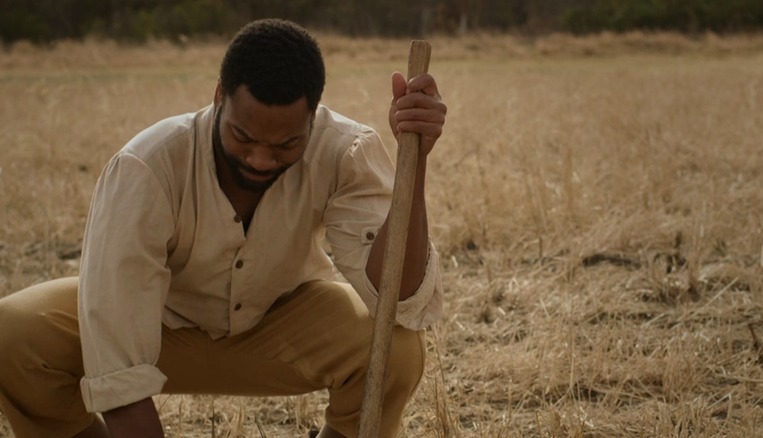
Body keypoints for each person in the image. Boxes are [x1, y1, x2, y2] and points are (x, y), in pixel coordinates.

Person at [0, 18, 446, 438]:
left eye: (286, 144)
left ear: (313, 118)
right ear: (218, 98)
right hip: (159, 323)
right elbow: (117, 355)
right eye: (243, 137)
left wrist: (417, 160)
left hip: (281, 322)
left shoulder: (343, 149)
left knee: (397, 350)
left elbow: (399, 299)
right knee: (13, 336)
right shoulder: (147, 166)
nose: (260, 159)